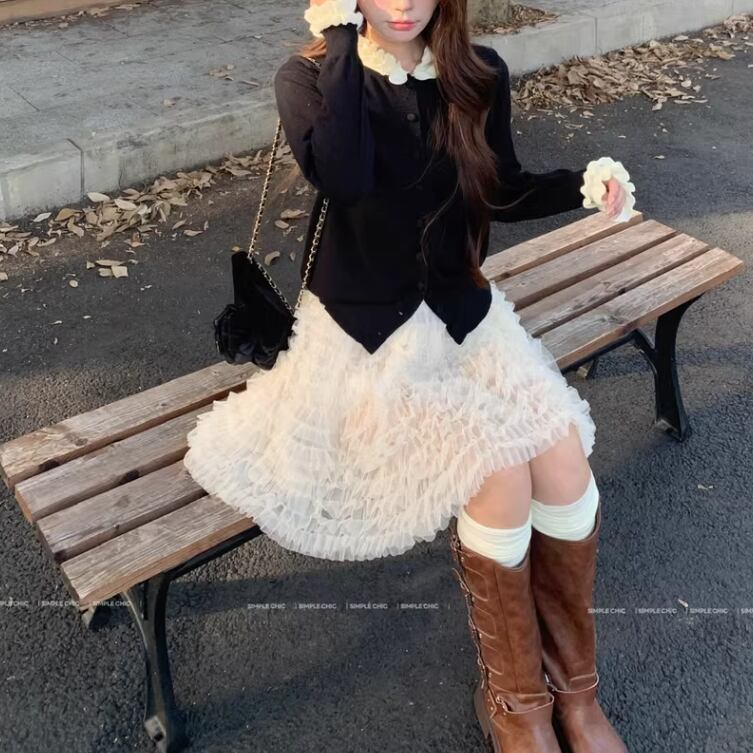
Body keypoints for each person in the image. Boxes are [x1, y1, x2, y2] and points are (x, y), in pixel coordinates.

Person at [183, 0, 635, 750]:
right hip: (365, 341)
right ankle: (516, 704)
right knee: (499, 472)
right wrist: (339, 40)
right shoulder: (308, 78)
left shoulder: (477, 73)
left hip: (465, 323)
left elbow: (498, 187)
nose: (401, 3)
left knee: (564, 471)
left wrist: (580, 186)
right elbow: (344, 174)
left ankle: (575, 695)